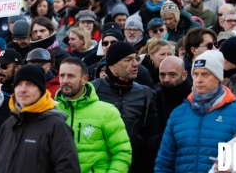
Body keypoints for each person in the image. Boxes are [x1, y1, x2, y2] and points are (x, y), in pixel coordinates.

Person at [155, 50, 236, 173]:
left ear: (218, 78)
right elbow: (164, 162)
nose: (199, 80)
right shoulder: (178, 114)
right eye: (195, 74)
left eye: (205, 74)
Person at [0, 65, 80, 173]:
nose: (23, 90)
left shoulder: (56, 126)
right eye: (19, 84)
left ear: (41, 90)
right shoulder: (8, 124)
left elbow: (68, 169)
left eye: (30, 84)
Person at [92, 42, 161, 173]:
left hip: (136, 166)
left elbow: (152, 134)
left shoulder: (145, 93)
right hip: (100, 165)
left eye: (135, 58)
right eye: (128, 60)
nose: (135, 64)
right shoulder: (92, 91)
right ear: (112, 65)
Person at [55, 57, 132, 172]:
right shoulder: (51, 111)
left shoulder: (107, 112)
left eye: (71, 76)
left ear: (84, 79)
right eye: (62, 75)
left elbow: (122, 153)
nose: (65, 80)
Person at [155, 56, 192, 133]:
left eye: (172, 74)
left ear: (184, 75)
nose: (166, 79)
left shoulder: (195, 98)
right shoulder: (155, 98)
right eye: (162, 75)